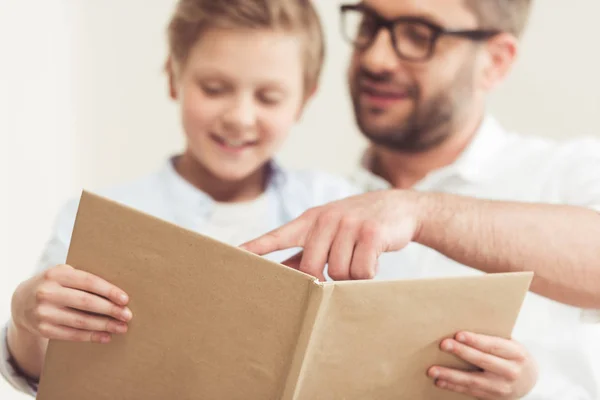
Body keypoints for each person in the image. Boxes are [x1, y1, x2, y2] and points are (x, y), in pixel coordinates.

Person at [2, 0, 540, 399]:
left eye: (268, 97)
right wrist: (27, 319)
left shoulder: (345, 206)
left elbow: (418, 350)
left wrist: (515, 380)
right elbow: (46, 369)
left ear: (304, 100)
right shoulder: (100, 218)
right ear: (174, 79)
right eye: (214, 88)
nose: (239, 116)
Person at [242, 0, 600, 399]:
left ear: (495, 61)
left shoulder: (571, 172)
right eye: (369, 24)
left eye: (419, 35)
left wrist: (416, 210)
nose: (376, 58)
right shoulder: (303, 202)